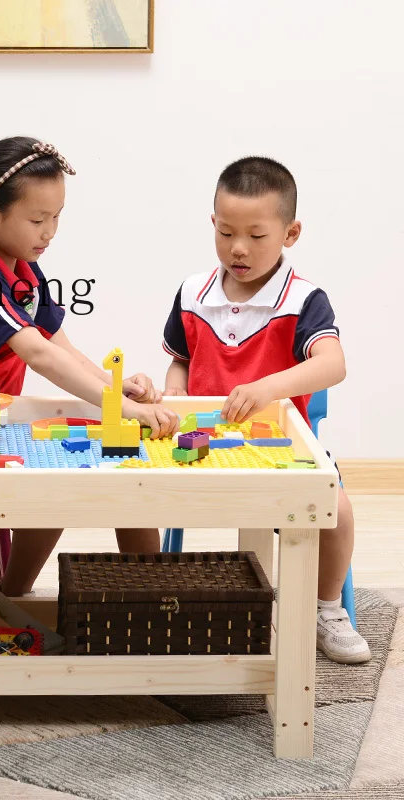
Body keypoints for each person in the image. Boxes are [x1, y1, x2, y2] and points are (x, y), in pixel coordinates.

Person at [0, 135, 177, 598]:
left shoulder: (26, 269)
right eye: (37, 219)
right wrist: (120, 410)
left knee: (53, 494)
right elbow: (39, 354)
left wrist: (115, 388)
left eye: (56, 217)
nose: (50, 231)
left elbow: (58, 342)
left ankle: (10, 596)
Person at [154, 155, 370, 663]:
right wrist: (177, 392)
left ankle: (326, 606)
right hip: (200, 446)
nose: (238, 248)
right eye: (226, 232)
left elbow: (332, 364)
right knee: (133, 492)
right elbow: (180, 363)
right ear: (212, 224)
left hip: (277, 448)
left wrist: (270, 386)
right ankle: (157, 596)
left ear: (290, 233)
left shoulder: (304, 299)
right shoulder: (192, 293)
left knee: (336, 511)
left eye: (257, 235)